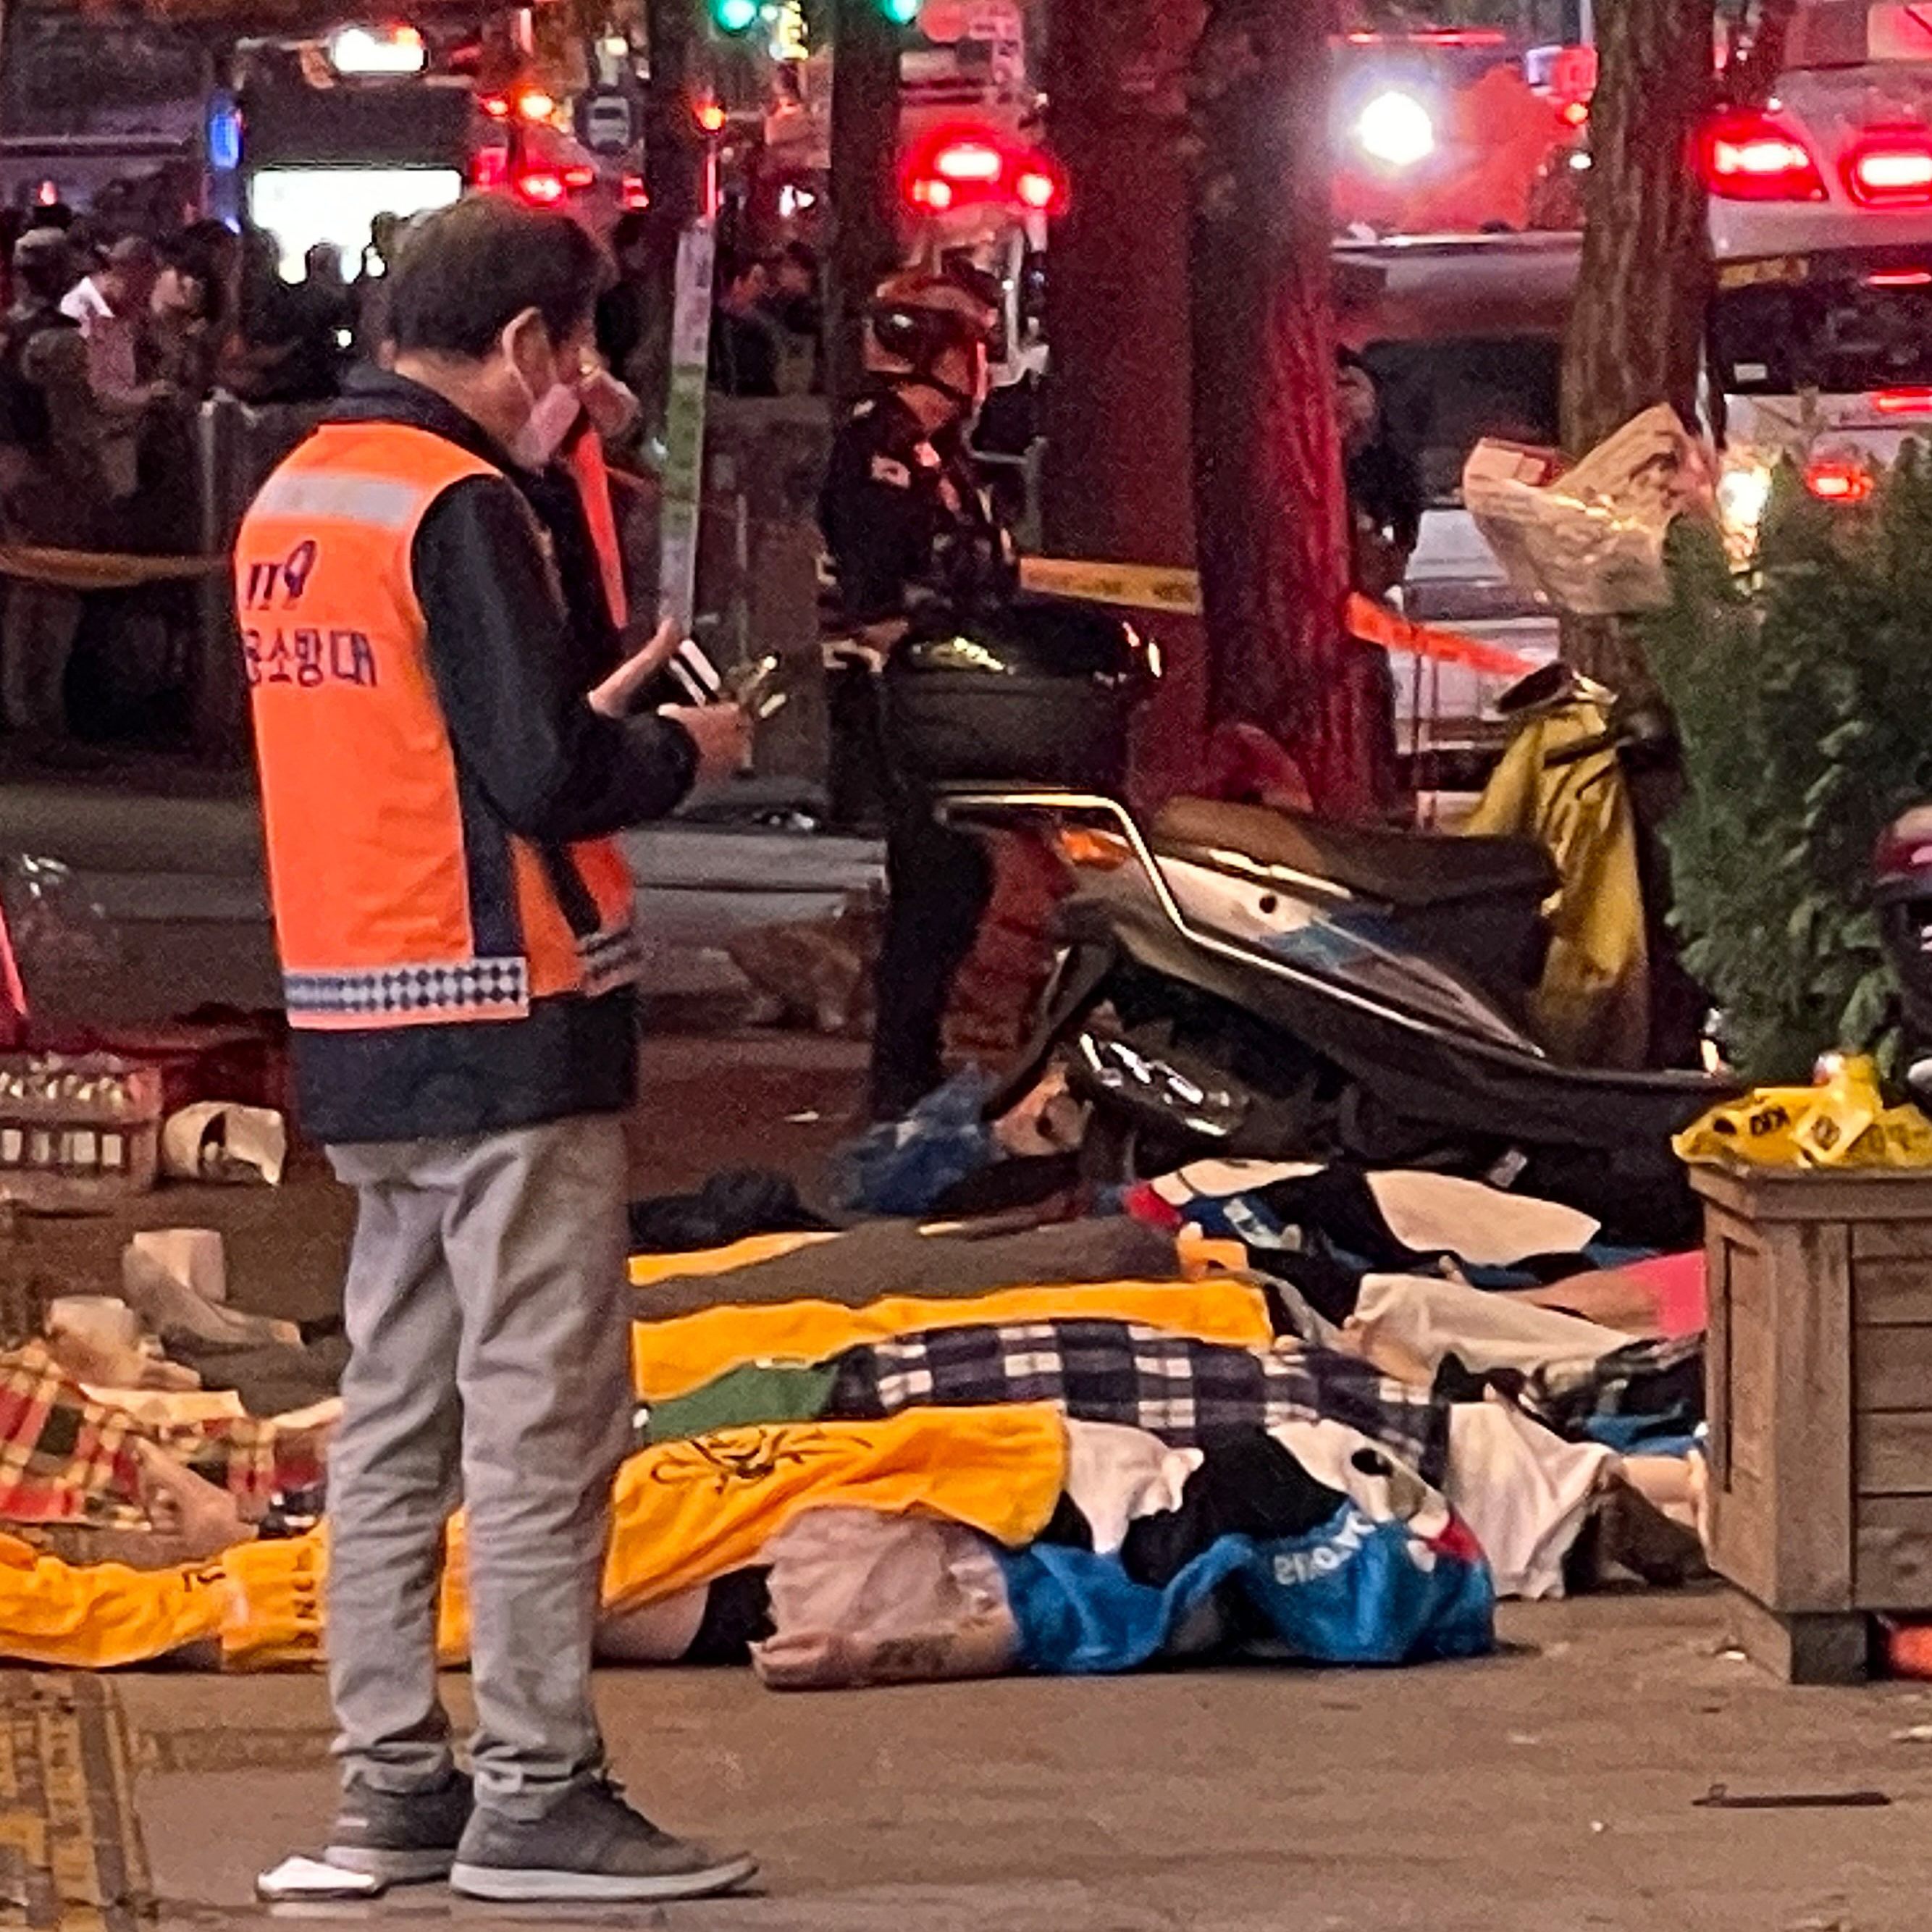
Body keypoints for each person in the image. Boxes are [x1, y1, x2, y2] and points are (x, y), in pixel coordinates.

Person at [235, 196, 755, 1906]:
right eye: (579, 351)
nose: (587, 388)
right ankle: (540, 1789)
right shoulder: (457, 502)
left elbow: (430, 746)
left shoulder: (295, 502)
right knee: (542, 1423)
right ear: (529, 343)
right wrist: (687, 749)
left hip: (357, 1032)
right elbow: (542, 779)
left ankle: (390, 1786)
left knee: (390, 1420)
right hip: (505, 1024)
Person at [818, 264, 1009, 1120]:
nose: (982, 369)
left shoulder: (946, 455)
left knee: (958, 880)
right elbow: (875, 594)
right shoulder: (878, 447)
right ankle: (897, 1078)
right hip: (905, 698)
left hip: (955, 701)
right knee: (929, 884)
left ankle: (917, 1059)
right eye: (970, 350)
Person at [0, 227, 139, 755]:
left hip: (8, 467)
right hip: (49, 472)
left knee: (22, 595)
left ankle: (20, 709)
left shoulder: (8, 329)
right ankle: (44, 716)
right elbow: (80, 418)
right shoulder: (61, 339)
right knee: (58, 595)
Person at [707, 248, 778, 398]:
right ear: (738, 283)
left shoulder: (762, 326)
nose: (762, 288)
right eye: (756, 280)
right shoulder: (712, 324)